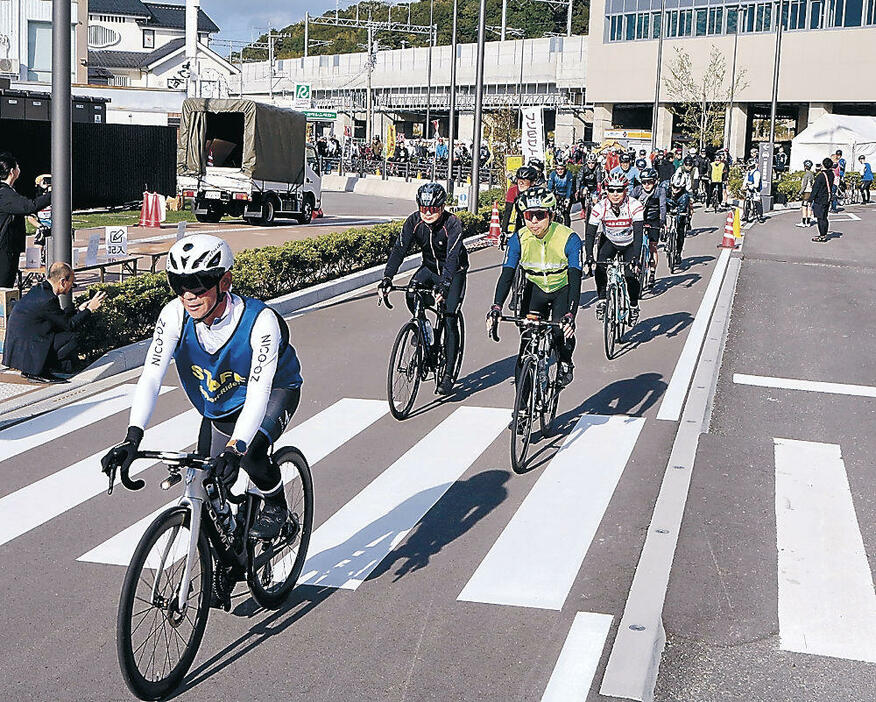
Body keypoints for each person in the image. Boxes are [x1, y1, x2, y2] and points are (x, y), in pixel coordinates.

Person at [101, 234, 303, 544]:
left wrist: (236, 448)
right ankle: (224, 561)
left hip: (274, 390)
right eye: (179, 285)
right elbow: (151, 377)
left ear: (225, 281)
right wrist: (132, 437)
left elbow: (259, 392)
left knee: (251, 454)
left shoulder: (260, 322)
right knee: (206, 482)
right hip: (220, 404)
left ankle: (277, 506)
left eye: (199, 284)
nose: (189, 295)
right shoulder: (174, 316)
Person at [487, 186, 581, 393]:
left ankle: (565, 360)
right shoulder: (519, 238)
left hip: (561, 289)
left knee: (559, 331)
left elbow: (575, 279)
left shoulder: (569, 238)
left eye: (540, 215)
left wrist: (570, 314)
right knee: (526, 345)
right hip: (535, 289)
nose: (534, 221)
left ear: (551, 214)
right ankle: (522, 408)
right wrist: (496, 307)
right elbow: (507, 274)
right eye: (529, 216)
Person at [379, 182, 468, 395]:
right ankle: (424, 331)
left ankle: (447, 374)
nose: (427, 214)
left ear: (442, 207)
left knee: (449, 316)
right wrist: (387, 278)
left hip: (453, 271)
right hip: (429, 268)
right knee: (411, 295)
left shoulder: (452, 223)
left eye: (433, 209)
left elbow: (453, 258)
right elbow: (399, 249)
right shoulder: (414, 221)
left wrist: (444, 286)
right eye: (423, 209)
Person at [3, 262, 105, 382]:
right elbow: (69, 325)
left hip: (22, 346)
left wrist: (79, 310)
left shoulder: (40, 290)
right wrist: (89, 309)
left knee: (64, 335)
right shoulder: (48, 299)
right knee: (74, 337)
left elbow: (58, 318)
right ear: (62, 282)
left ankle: (35, 370)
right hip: (32, 347)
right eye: (71, 283)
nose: (71, 287)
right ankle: (41, 371)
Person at [586, 172, 645, 326]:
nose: (615, 194)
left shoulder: (634, 205)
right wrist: (589, 256)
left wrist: (636, 258)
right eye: (611, 190)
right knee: (599, 268)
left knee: (630, 275)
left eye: (619, 190)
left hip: (629, 243)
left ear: (626, 190)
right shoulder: (600, 206)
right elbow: (590, 233)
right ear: (607, 190)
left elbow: (638, 232)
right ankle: (602, 300)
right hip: (609, 241)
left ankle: (633, 306)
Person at [0, 153, 52, 288]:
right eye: (17, 166)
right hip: (4, 249)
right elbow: (29, 206)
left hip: (8, 248)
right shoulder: (4, 193)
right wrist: (54, 194)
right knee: (4, 288)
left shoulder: (7, 192)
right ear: (12, 171)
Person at [631, 167, 665, 289]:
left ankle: (652, 272)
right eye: (644, 182)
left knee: (653, 247)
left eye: (650, 182)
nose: (647, 185)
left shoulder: (660, 191)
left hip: (654, 220)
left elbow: (662, 206)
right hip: (639, 220)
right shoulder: (637, 190)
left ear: (655, 181)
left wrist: (662, 220)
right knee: (635, 244)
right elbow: (629, 203)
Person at [502, 165, 539, 238]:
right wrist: (503, 231)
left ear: (532, 183)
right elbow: (507, 211)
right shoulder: (513, 190)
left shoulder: (537, 191)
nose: (521, 183)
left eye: (524, 180)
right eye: (519, 180)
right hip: (521, 218)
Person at [665, 172, 692, 265]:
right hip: (668, 209)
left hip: (680, 211)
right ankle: (666, 236)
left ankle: (678, 253)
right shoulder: (664, 187)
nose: (675, 190)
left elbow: (683, 209)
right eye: (674, 187)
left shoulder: (685, 196)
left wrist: (680, 216)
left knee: (680, 232)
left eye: (678, 188)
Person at [810, 157, 834, 242]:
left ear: (823, 165)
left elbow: (815, 189)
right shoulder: (831, 174)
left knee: (820, 218)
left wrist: (810, 199)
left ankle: (822, 236)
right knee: (825, 217)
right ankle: (824, 234)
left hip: (820, 199)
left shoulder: (821, 176)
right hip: (827, 198)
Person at [547, 161, 575, 226]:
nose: (560, 171)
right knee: (553, 211)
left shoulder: (568, 174)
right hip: (557, 194)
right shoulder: (553, 174)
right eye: (558, 169)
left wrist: (568, 198)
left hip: (567, 193)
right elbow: (550, 186)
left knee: (566, 213)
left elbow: (569, 187)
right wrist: (548, 196)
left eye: (562, 169)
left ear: (564, 168)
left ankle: (567, 229)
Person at [743, 159, 765, 223]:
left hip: (756, 190)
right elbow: (745, 180)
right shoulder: (749, 173)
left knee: (757, 201)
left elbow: (756, 184)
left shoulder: (756, 173)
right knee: (747, 201)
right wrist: (743, 186)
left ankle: (760, 216)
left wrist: (750, 186)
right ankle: (745, 215)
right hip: (749, 189)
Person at [796, 160, 815, 227]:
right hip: (811, 192)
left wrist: (799, 193)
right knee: (809, 206)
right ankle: (808, 222)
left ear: (805, 167)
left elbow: (804, 186)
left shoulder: (805, 175)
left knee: (804, 207)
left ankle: (803, 222)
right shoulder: (812, 175)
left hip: (806, 192)